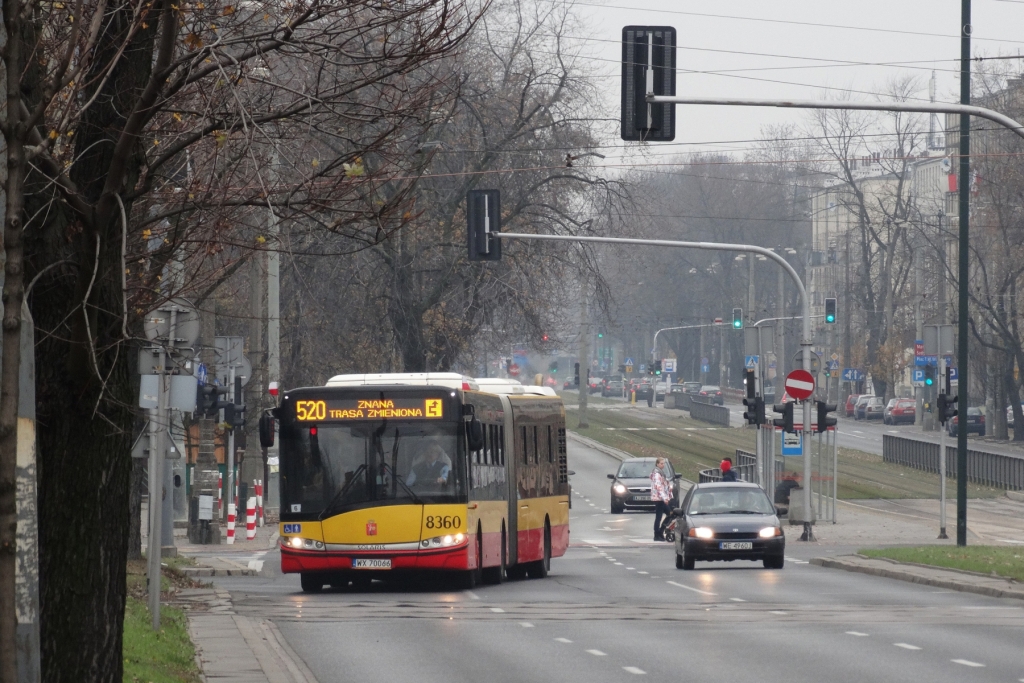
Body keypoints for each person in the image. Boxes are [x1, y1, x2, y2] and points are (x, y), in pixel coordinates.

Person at [650, 458, 673, 541]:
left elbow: (665, 486)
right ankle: (658, 534)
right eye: (661, 463)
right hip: (659, 499)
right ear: (657, 464)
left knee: (667, 515)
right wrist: (665, 498)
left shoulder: (660, 473)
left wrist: (668, 495)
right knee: (663, 516)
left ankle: (659, 532)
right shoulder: (657, 474)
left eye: (663, 463)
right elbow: (659, 487)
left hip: (660, 498)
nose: (663, 465)